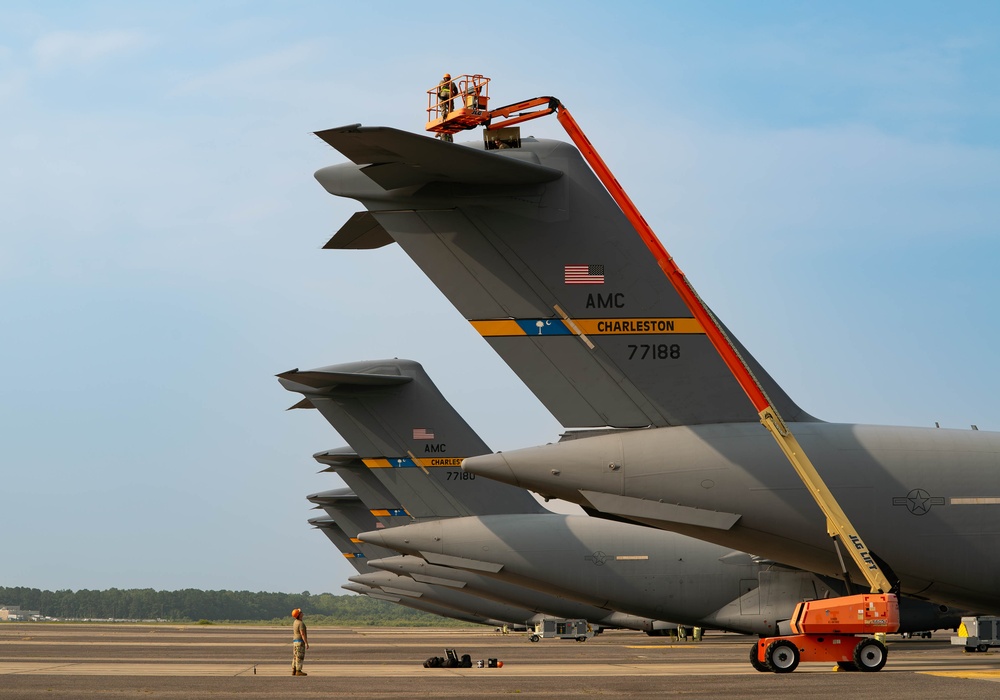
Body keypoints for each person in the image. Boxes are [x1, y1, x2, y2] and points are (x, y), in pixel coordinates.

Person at [291, 608, 309, 676]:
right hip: (300, 641)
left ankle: (294, 669)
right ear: (299, 615)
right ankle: (298, 671)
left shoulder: (295, 622)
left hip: (295, 641)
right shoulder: (300, 623)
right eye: (301, 612)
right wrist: (306, 642)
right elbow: (302, 633)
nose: (302, 613)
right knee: (299, 656)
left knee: (295, 656)